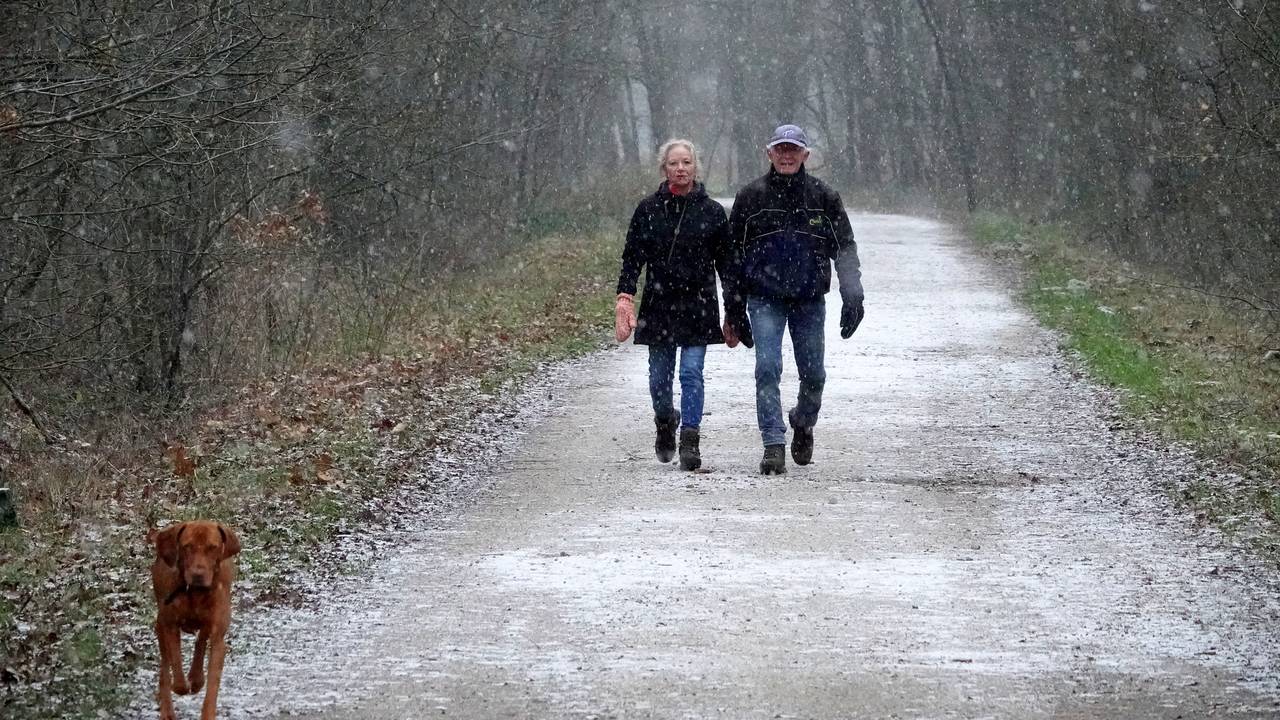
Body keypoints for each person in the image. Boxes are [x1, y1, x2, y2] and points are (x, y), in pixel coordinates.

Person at [722, 123, 864, 475]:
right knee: (767, 368)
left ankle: (803, 421)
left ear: (805, 155)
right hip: (764, 297)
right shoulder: (750, 198)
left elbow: (844, 247)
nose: (787, 155)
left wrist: (853, 296)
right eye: (780, 149)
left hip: (809, 298)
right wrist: (735, 308)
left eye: (793, 149)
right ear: (769, 153)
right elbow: (732, 257)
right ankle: (773, 443)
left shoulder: (824, 198)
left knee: (814, 374)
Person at [615, 139, 731, 471]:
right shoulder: (648, 210)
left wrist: (735, 309)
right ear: (664, 168)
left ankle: (691, 441)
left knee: (692, 374)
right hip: (659, 303)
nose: (680, 169)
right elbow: (632, 259)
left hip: (699, 304)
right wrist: (625, 297)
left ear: (696, 167)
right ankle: (665, 421)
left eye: (686, 163)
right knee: (659, 378)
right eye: (673, 164)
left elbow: (727, 264)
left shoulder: (712, 213)